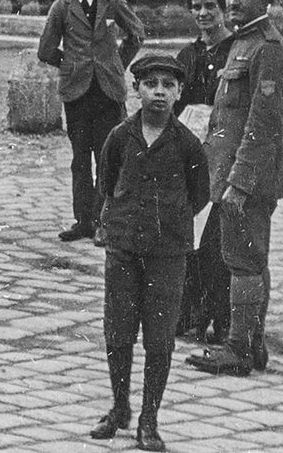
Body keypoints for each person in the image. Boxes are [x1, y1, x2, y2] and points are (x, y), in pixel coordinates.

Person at [187, 0, 283, 377]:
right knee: (247, 257)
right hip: (236, 173)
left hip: (250, 177)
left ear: (266, 1)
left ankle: (238, 348)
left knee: (245, 261)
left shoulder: (269, 50)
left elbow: (263, 126)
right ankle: (251, 345)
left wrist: (238, 184)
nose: (233, 1)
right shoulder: (243, 42)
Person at [92, 52, 209, 451]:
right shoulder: (120, 138)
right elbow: (107, 181)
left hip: (167, 256)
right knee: (118, 332)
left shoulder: (189, 145)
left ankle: (149, 420)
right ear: (136, 89)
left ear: (178, 93)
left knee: (159, 340)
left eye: (168, 85)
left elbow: (199, 195)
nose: (159, 92)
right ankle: (119, 407)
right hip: (123, 250)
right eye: (150, 84)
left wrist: (167, 225)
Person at [37, 0, 145, 242]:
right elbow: (45, 51)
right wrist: (71, 64)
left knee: (108, 157)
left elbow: (137, 35)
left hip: (108, 91)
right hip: (77, 93)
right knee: (80, 159)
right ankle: (83, 221)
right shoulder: (62, 7)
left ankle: (104, 223)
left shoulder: (112, 3)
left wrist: (115, 64)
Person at [173, 0, 231, 347]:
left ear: (224, 8)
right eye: (196, 7)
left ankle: (222, 313)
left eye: (211, 6)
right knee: (189, 235)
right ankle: (190, 311)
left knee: (218, 240)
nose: (204, 14)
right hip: (191, 153)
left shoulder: (236, 52)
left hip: (223, 153)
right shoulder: (188, 56)